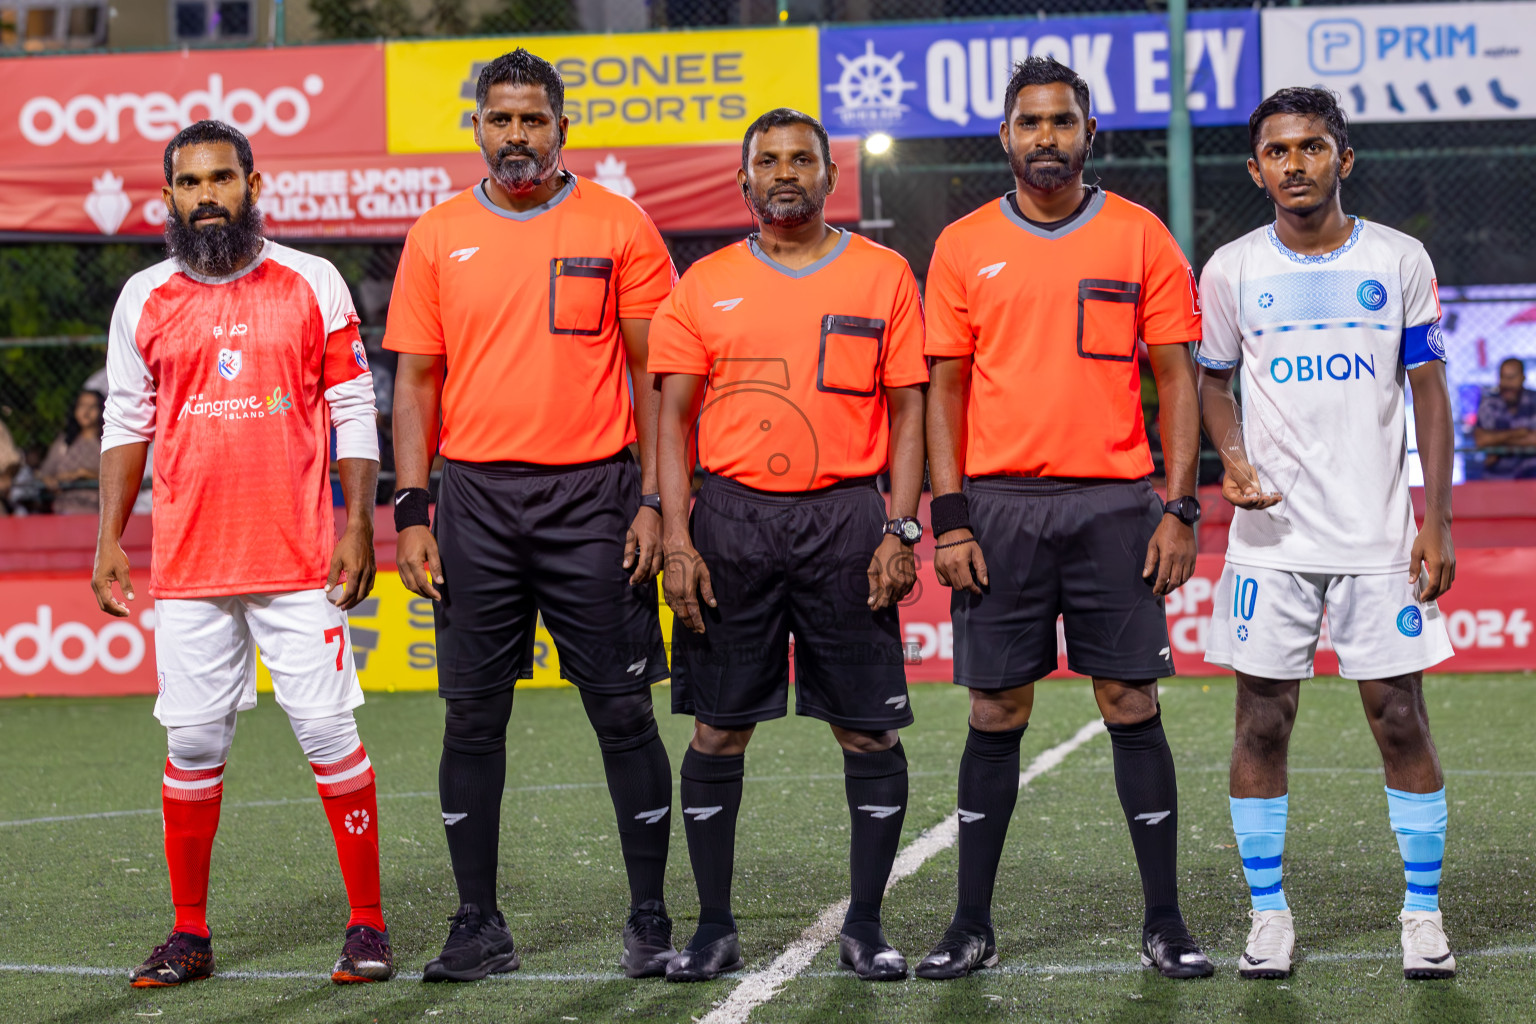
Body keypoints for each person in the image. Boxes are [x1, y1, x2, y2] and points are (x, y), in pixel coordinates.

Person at [384, 49, 680, 982]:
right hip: (472, 501)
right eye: (500, 118)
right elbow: (415, 386)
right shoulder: (436, 235)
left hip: (594, 497)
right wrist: (412, 509)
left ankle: (649, 918)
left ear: (563, 127)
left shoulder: (620, 225)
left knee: (623, 711)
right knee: (471, 718)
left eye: (533, 119)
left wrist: (655, 500)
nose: (517, 135)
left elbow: (655, 378)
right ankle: (479, 925)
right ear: (477, 126)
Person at [917, 57, 1211, 981]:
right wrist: (951, 519)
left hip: (1116, 507)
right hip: (999, 506)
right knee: (996, 707)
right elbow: (945, 391)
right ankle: (970, 923)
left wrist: (1179, 506)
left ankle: (1164, 922)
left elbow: (1176, 381)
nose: (1047, 137)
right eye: (1030, 123)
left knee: (1130, 700)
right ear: (1004, 136)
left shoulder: (1140, 237)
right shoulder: (963, 244)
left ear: (1090, 135)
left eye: (1063, 122)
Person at [91, 120, 391, 986]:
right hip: (188, 568)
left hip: (300, 560)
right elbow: (126, 422)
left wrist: (358, 523)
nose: (207, 196)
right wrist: (110, 537)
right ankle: (190, 933)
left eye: (223, 178)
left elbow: (352, 408)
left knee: (331, 733)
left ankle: (366, 925)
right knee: (191, 744)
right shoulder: (142, 297)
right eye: (191, 183)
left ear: (254, 184)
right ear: (170, 198)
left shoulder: (313, 280)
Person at [652, 108, 928, 983]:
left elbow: (911, 409)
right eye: (767, 160)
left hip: (847, 520)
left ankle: (868, 927)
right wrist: (674, 534)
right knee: (718, 733)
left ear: (828, 176)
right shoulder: (702, 285)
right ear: (743, 181)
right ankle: (713, 929)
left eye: (801, 159)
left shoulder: (884, 276)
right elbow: (671, 416)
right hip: (729, 523)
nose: (784, 172)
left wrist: (899, 524)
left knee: (868, 736)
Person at [1198, 87, 1457, 981]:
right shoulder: (1232, 267)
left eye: (1313, 147)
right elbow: (1214, 383)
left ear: (1343, 160)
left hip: (1380, 537)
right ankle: (1268, 915)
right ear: (1256, 168)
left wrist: (1437, 520)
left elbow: (1429, 393)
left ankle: (1422, 912)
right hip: (1271, 543)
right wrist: (1229, 456)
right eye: (1278, 150)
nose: (1295, 163)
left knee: (1399, 719)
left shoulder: (1400, 257)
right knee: (1261, 723)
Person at [39, 389, 105, 514]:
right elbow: (45, 473)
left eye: (92, 407)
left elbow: (117, 478)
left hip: (96, 511)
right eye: (82, 405)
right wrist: (52, 480)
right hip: (64, 510)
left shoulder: (107, 442)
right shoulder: (65, 442)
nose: (86, 412)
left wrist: (86, 474)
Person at [1473, 357, 1536, 478]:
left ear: (1523, 378)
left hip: (1531, 475)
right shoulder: (1489, 403)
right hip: (1497, 476)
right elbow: (1481, 440)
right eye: (1503, 377)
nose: (1507, 383)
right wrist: (1519, 433)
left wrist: (1497, 444)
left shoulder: (1534, 400)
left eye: (1511, 378)